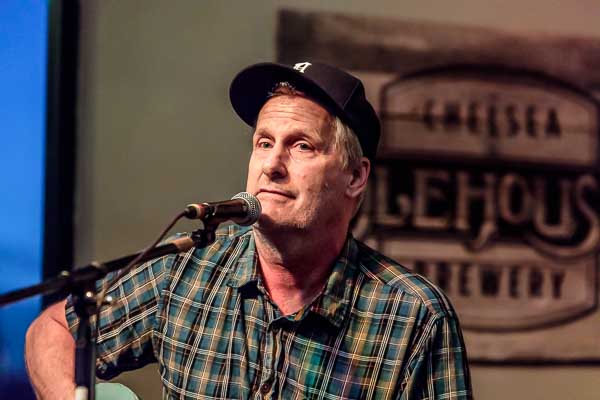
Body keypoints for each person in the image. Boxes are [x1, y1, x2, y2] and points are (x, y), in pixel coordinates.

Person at [25, 61, 472, 399]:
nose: (272, 165)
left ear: (355, 177)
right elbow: (53, 330)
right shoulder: (185, 270)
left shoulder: (414, 317)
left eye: (301, 145)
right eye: (263, 143)